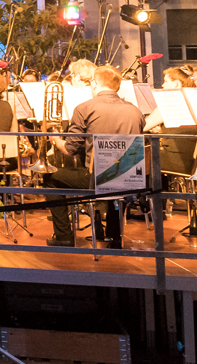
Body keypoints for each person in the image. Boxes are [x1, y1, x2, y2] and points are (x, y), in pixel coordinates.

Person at [44, 65, 146, 248]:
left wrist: (57, 140)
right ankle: (114, 237)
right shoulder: (135, 111)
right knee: (117, 180)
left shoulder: (85, 108)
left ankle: (64, 236)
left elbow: (71, 150)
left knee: (51, 178)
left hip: (96, 178)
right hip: (128, 179)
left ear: (95, 83)